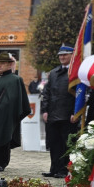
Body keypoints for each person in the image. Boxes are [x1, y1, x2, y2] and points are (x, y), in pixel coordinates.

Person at [40, 45, 77, 178]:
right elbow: (47, 93)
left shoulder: (75, 73)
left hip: (67, 115)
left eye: (65, 55)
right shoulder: (54, 73)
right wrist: (45, 110)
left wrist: (75, 112)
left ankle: (63, 170)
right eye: (60, 55)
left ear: (72, 55)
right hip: (53, 114)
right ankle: (54, 168)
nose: (62, 57)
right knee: (54, 143)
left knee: (65, 144)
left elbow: (78, 95)